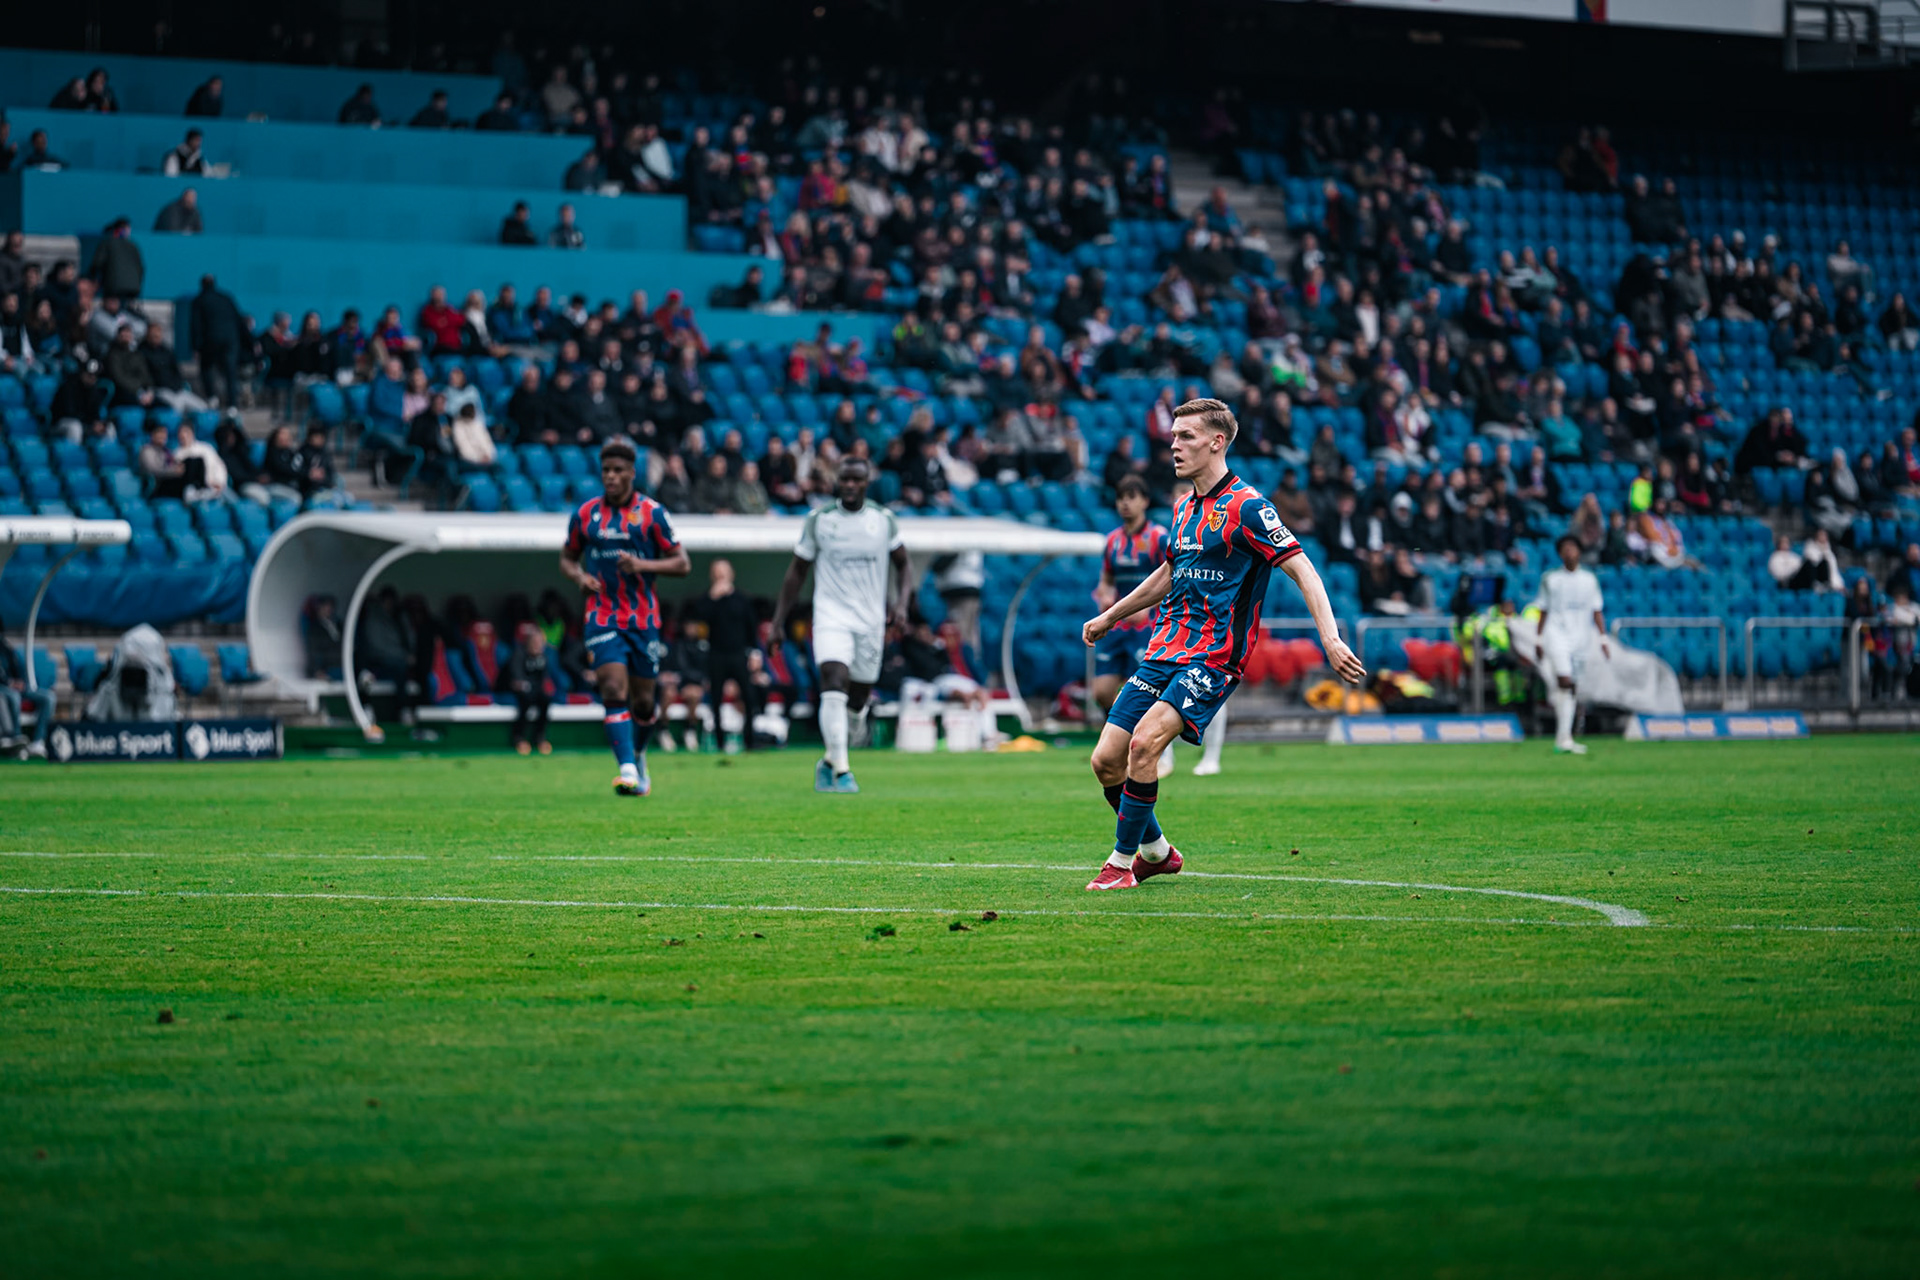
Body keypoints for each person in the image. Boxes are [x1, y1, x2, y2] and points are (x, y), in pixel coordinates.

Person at [1081, 398, 1365, 891]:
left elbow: (1302, 568)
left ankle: (1121, 865)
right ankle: (1156, 853)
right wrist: (1111, 615)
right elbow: (1170, 572)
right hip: (1161, 650)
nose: (1173, 445)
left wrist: (1331, 637)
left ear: (1217, 442)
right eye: (1172, 436)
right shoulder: (1183, 506)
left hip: (1212, 658)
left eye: (1185, 437)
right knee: (1106, 759)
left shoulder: (1249, 507)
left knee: (1145, 745)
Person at [558, 438, 690, 796]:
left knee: (645, 702)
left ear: (633, 473)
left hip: (644, 620)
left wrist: (642, 564)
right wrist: (579, 577)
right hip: (602, 615)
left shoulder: (652, 513)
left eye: (619, 471)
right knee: (614, 688)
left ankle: (639, 752)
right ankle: (627, 769)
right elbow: (567, 557)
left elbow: (682, 563)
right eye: (606, 471)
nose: (612, 477)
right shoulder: (586, 515)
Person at [771, 458, 912, 794]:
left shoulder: (883, 520)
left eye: (856, 480)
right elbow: (797, 572)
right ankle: (843, 772)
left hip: (870, 621)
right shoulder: (820, 520)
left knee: (858, 698)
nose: (849, 485)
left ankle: (830, 760)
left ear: (866, 483)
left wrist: (902, 604)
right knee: (833, 681)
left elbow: (904, 566)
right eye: (844, 479)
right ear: (837, 481)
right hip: (831, 615)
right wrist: (778, 621)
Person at [1091, 475, 1174, 772]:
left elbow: (1170, 577)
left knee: (1147, 691)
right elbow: (1107, 577)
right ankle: (1120, 740)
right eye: (1121, 497)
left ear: (1145, 502)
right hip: (1117, 627)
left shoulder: (1158, 537)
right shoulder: (1112, 541)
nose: (1125, 503)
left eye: (1132, 496)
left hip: (1146, 627)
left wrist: (1149, 607)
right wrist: (1104, 595)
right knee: (1102, 692)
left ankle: (1159, 748)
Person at [1533, 535, 1609, 755]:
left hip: (1581, 637)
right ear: (1559, 553)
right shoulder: (1550, 579)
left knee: (1572, 686)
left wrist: (1603, 639)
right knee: (1564, 680)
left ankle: (1564, 737)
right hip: (1556, 634)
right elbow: (1543, 609)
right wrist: (1538, 639)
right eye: (1565, 549)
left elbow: (1597, 610)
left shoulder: (1589, 580)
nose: (1569, 552)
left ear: (1579, 552)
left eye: (1573, 548)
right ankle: (1564, 736)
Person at [687, 559, 764, 747]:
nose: (721, 576)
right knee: (716, 699)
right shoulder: (707, 600)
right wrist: (713, 597)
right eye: (717, 572)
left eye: (724, 572)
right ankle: (720, 741)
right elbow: (699, 621)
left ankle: (750, 740)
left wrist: (755, 653)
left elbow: (751, 628)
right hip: (716, 655)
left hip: (738, 655)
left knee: (748, 696)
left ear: (731, 574)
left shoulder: (742, 599)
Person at [0, 617, 56, 758]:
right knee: (13, 696)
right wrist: (9, 683)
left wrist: (20, 681)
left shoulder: (5, 648)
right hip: (4, 689)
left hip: (15, 687)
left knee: (48, 697)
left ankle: (37, 741)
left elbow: (19, 667)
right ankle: (17, 737)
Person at [500, 624, 554, 755]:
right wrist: (527, 686)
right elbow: (516, 679)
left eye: (541, 642)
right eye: (535, 642)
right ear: (528, 642)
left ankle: (539, 738)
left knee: (546, 699)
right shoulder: (518, 654)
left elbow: (542, 679)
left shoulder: (543, 657)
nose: (539, 645)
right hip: (508, 689)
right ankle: (519, 738)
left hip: (532, 689)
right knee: (526, 699)